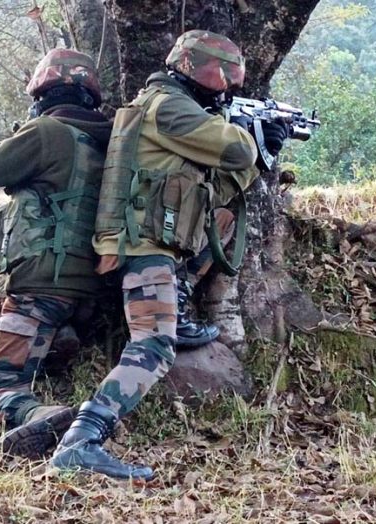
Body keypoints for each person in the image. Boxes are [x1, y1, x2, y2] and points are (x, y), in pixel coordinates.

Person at [51, 30, 289, 480]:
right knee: (155, 345)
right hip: (143, 246)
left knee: (221, 223)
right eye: (224, 76)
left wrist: (262, 158)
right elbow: (233, 147)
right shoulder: (167, 103)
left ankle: (175, 309)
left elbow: (207, 195)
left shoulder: (172, 107)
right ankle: (82, 440)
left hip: (155, 246)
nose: (230, 87)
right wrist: (253, 139)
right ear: (196, 68)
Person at [0, 49, 113, 460]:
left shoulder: (46, 132)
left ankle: (37, 413)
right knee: (45, 334)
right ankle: (53, 347)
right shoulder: (111, 143)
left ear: (42, 93)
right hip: (94, 288)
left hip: (41, 283)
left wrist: (25, 130)